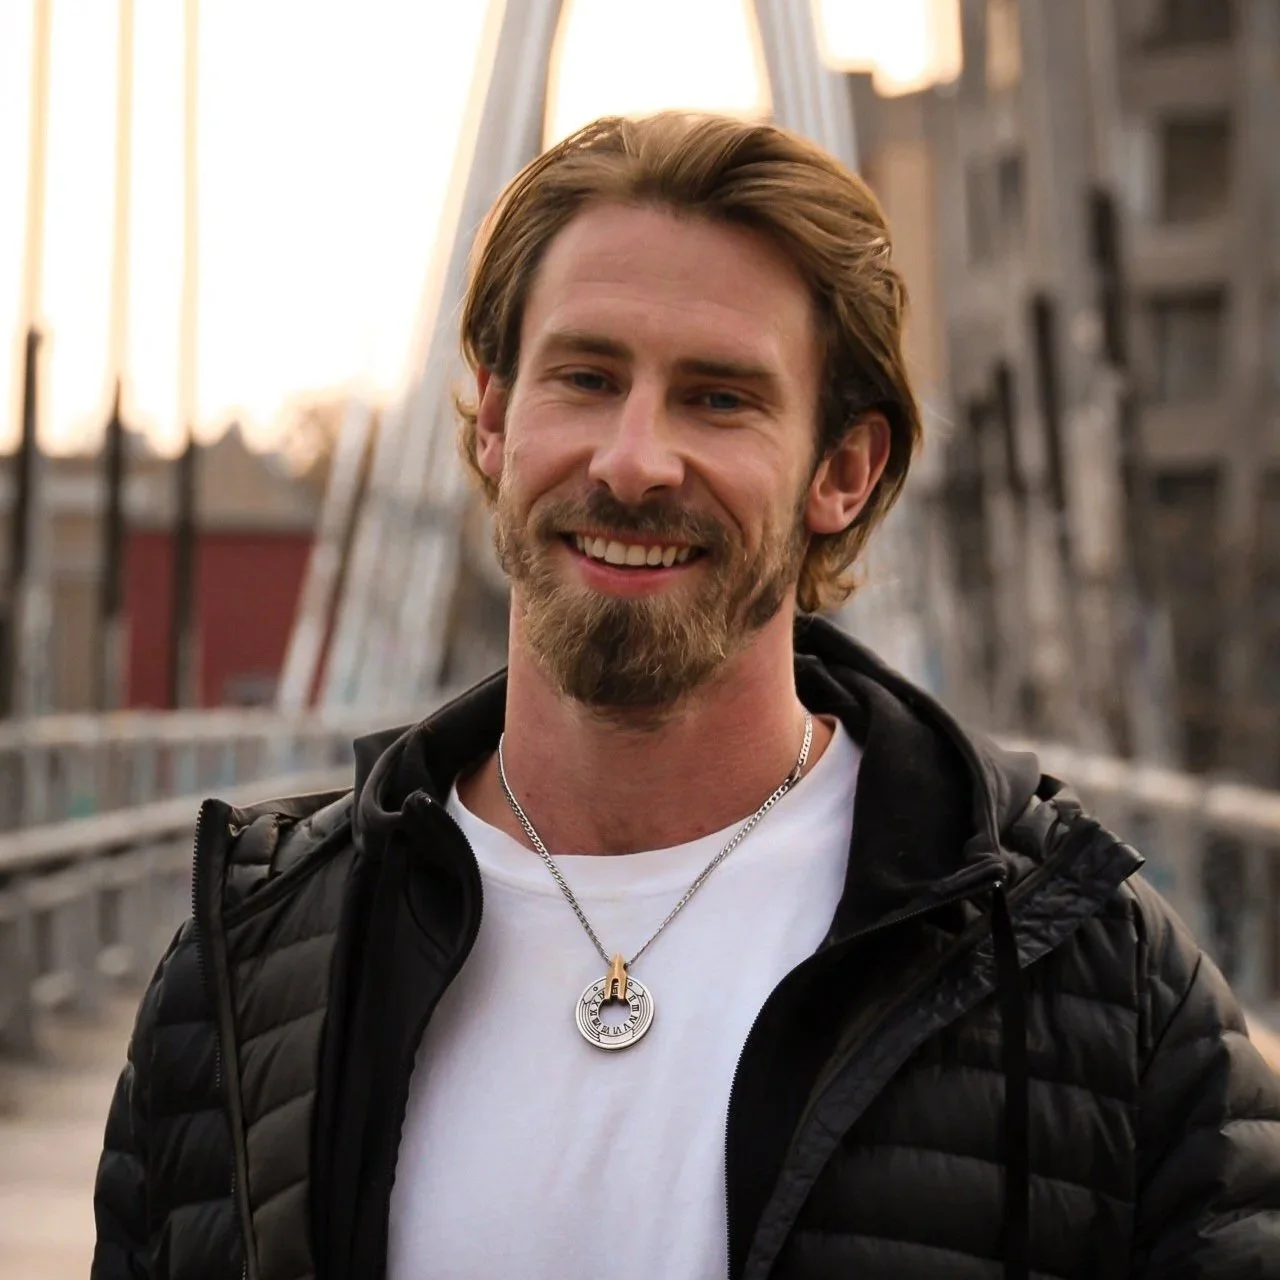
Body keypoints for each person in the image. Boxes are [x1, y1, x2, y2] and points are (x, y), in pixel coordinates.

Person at [92, 112, 1280, 1280]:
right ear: (496, 417)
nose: (632, 459)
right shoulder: (250, 969)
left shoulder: (1087, 982)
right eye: (586, 375)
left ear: (841, 470)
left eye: (718, 397)